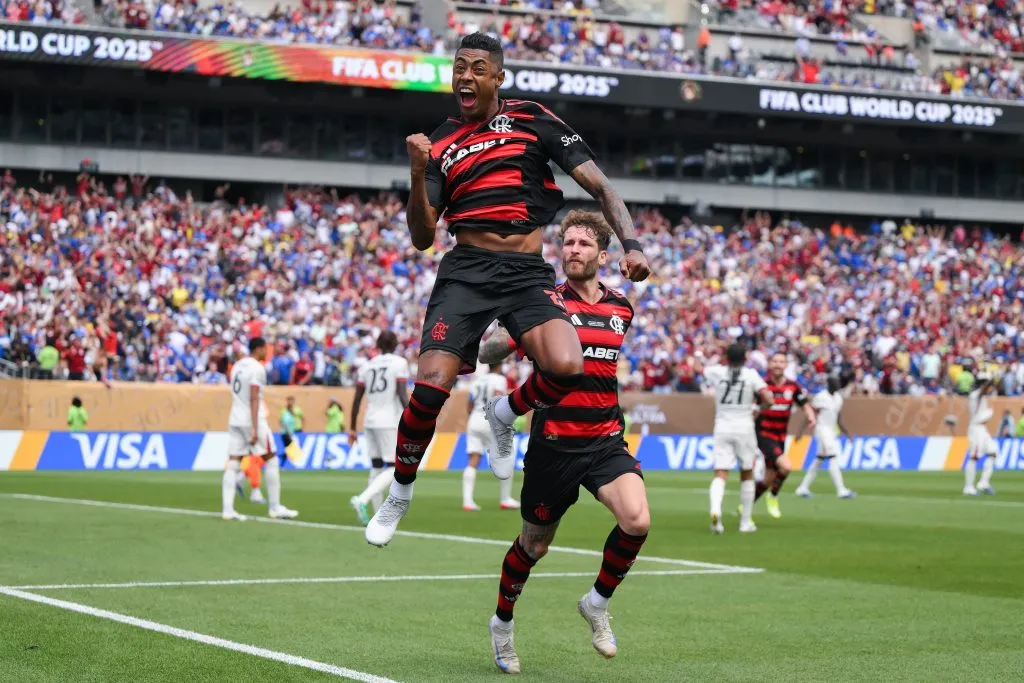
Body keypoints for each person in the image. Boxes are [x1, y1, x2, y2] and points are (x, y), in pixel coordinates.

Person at [364, 32, 650, 547]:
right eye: (458, 68)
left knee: (566, 365)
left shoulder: (533, 118)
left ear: (498, 77)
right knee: (429, 388)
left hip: (524, 272)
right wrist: (416, 169)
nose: (465, 76)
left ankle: (503, 412)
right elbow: (422, 237)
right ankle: (400, 493)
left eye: (477, 67)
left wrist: (631, 244)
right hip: (466, 271)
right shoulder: (442, 141)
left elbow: (602, 186)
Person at [476, 211, 649, 674]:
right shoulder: (544, 302)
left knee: (636, 520)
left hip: (605, 439)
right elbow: (490, 351)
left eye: (583, 244)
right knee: (534, 547)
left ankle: (596, 604)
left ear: (603, 255)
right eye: (568, 243)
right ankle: (502, 625)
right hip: (553, 444)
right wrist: (501, 331)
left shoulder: (621, 309)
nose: (573, 250)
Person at [223, 337, 298, 522]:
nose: (268, 352)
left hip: (235, 418)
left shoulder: (237, 366)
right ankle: (274, 507)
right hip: (252, 419)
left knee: (233, 463)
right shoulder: (257, 368)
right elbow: (254, 397)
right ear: (259, 349)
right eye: (266, 349)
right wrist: (255, 428)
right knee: (271, 458)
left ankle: (227, 510)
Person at [705, 344, 774, 534]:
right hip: (744, 427)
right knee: (747, 473)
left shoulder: (717, 372)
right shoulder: (751, 375)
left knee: (720, 473)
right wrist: (758, 410)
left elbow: (699, 368)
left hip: (722, 427)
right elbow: (769, 398)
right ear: (745, 358)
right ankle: (745, 523)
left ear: (727, 357)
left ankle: (716, 510)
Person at [349, 331, 410, 525]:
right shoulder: (399, 363)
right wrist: (413, 417)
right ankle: (362, 499)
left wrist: (352, 428)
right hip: (388, 422)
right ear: (395, 344)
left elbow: (357, 400)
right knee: (394, 468)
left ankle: (377, 517)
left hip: (369, 420)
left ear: (378, 345)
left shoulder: (366, 366)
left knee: (376, 467)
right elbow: (401, 394)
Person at [750, 352, 816, 519]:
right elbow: (750, 406)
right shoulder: (761, 385)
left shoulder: (792, 386)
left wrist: (810, 415)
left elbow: (804, 403)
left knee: (768, 479)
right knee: (786, 466)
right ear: (770, 364)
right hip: (763, 434)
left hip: (780, 436)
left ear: (786, 365)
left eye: (781, 362)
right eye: (775, 361)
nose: (778, 365)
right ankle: (773, 496)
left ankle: (746, 505)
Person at [464, 362, 520, 511]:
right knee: (507, 456)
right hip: (490, 421)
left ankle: (468, 502)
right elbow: (499, 402)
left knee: (473, 459)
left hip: (474, 419)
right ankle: (505, 499)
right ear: (500, 366)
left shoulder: (477, 379)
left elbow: (469, 403)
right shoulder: (499, 380)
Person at [794, 376, 857, 499]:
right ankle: (841, 490)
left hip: (831, 431)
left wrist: (847, 432)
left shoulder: (838, 398)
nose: (837, 386)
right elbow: (810, 415)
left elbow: (838, 418)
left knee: (819, 459)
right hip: (822, 430)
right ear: (828, 384)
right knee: (833, 456)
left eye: (838, 384)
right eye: (834, 383)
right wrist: (800, 431)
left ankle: (802, 488)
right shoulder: (821, 397)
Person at [964, 373, 998, 496]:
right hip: (976, 429)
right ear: (983, 384)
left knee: (993, 452)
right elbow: (983, 390)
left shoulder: (982, 396)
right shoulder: (975, 395)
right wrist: (992, 378)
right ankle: (968, 487)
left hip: (983, 430)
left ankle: (983, 483)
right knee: (974, 457)